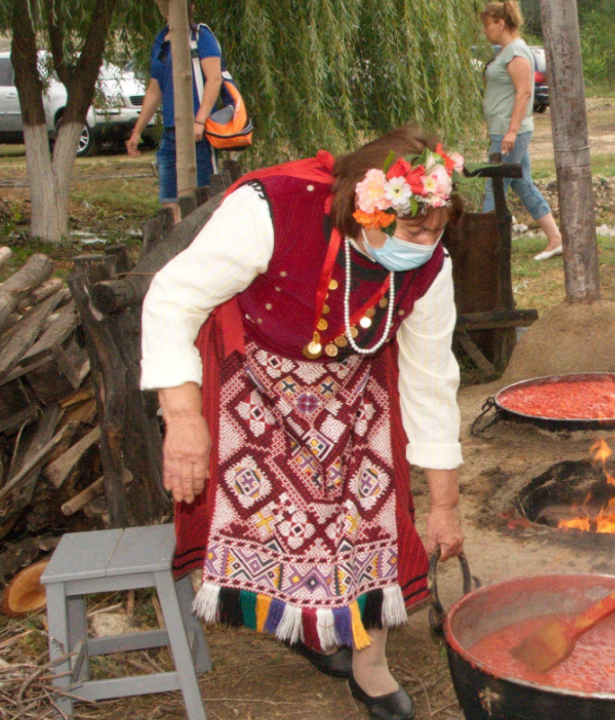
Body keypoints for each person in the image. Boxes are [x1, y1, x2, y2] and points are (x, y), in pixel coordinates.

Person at [141, 126, 468, 720]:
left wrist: (443, 502)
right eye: (416, 231)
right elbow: (171, 299)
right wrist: (183, 420)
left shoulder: (430, 268)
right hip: (255, 376)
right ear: (368, 211)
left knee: (368, 517)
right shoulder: (268, 210)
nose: (427, 244)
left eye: (437, 231)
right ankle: (302, 623)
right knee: (269, 516)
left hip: (354, 382)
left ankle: (370, 666)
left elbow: (431, 380)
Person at [126, 0, 223, 223]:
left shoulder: (200, 37)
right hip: (171, 132)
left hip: (198, 132)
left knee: (202, 201)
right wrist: (137, 131)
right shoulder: (161, 40)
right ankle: (178, 251)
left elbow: (214, 79)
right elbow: (154, 89)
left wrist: (200, 121)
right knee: (170, 202)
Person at [480, 0, 563, 261]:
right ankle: (556, 239)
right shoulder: (507, 51)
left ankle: (485, 251)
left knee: (494, 186)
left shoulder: (516, 51)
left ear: (500, 23)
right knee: (521, 182)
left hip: (510, 134)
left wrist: (512, 132)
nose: (485, 31)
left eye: (487, 25)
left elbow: (524, 92)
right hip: (503, 131)